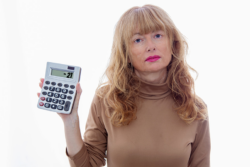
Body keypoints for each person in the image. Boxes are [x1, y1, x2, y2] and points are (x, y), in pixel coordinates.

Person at [37, 4, 211, 167]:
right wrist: (70, 121)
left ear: (173, 44)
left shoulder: (195, 109)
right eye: (138, 40)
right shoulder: (106, 100)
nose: (150, 46)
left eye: (157, 36)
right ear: (125, 53)